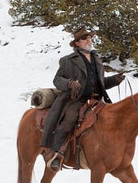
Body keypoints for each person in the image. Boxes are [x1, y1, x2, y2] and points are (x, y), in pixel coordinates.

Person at [40, 27, 125, 171]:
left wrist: (115, 80)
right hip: (76, 100)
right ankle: (57, 153)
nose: (88, 40)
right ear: (77, 43)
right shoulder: (67, 61)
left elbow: (100, 82)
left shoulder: (96, 59)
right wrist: (69, 83)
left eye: (89, 37)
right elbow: (57, 80)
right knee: (70, 118)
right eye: (84, 38)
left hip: (96, 100)